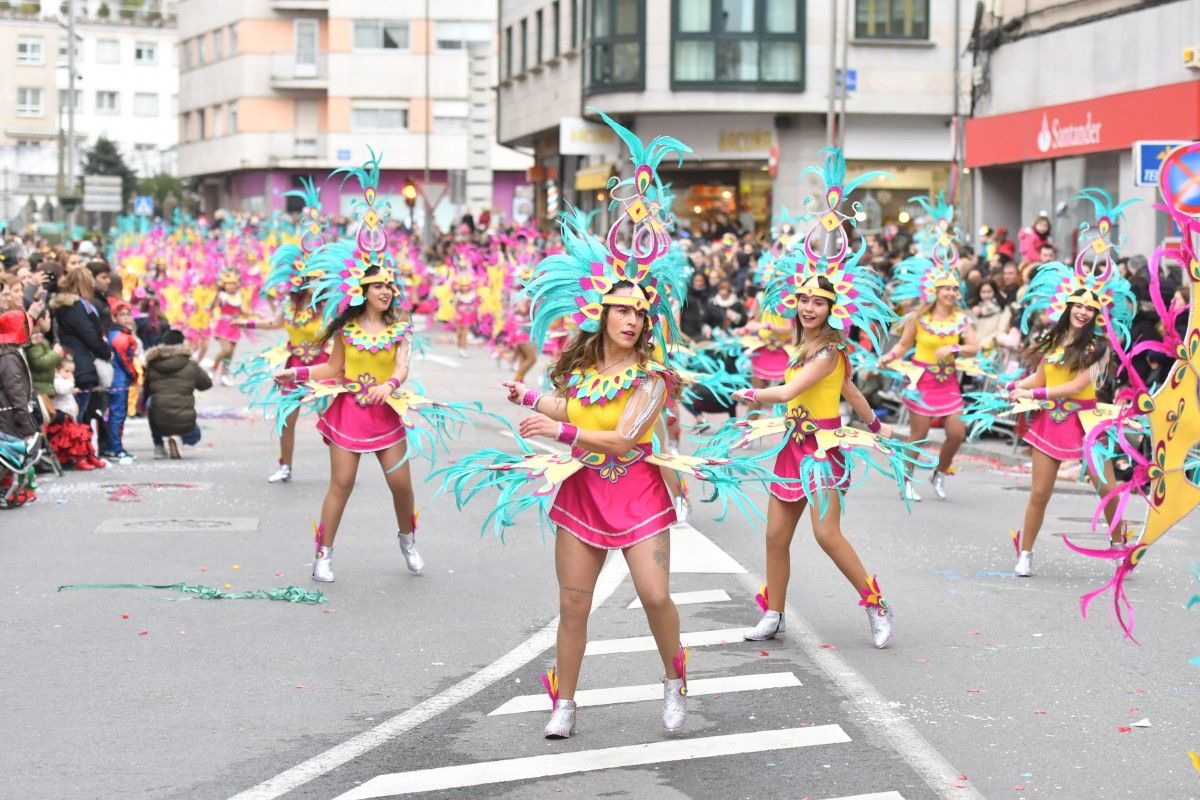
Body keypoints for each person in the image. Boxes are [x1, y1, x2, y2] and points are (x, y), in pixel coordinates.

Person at [726, 150, 923, 649]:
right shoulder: (805, 344)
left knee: (826, 535)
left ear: (833, 309)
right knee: (774, 537)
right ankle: (773, 614)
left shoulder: (830, 347)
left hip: (821, 451)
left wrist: (751, 392)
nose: (810, 307)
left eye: (819, 302)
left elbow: (793, 391)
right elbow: (848, 388)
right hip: (791, 448)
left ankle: (877, 604)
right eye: (805, 300)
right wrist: (873, 419)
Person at [50, 267, 112, 449]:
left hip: (78, 360)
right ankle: (77, 451)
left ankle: (80, 451)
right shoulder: (75, 307)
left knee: (82, 411)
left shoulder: (68, 306)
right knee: (80, 413)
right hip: (81, 363)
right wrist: (105, 351)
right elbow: (89, 334)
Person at [143, 328, 211, 459]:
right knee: (195, 437)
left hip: (159, 419)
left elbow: (146, 389)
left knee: (150, 403)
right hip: (184, 420)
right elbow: (206, 384)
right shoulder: (191, 365)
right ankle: (180, 439)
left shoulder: (152, 364)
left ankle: (159, 446)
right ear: (182, 343)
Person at [102, 303, 139, 460]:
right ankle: (115, 448)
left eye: (128, 315)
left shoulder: (116, 334)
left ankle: (114, 447)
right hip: (118, 379)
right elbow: (126, 361)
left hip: (116, 378)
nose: (126, 318)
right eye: (122, 315)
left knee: (116, 414)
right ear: (114, 317)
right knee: (118, 414)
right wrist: (135, 375)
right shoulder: (120, 337)